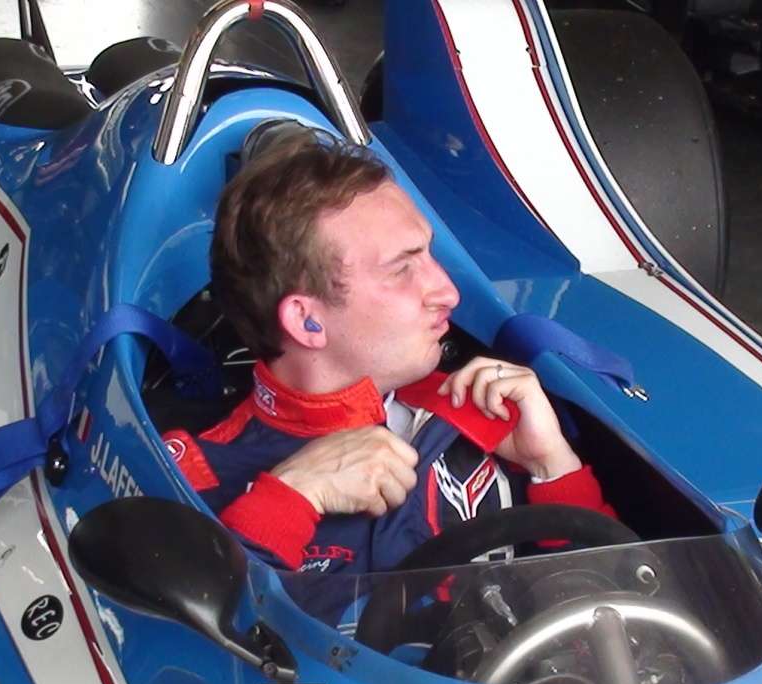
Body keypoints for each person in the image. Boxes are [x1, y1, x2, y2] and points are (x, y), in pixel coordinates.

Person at [161, 125, 613, 573]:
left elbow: (613, 592)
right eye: (401, 269)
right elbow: (190, 612)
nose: (448, 293)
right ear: (307, 320)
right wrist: (290, 497)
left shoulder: (479, 411)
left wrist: (552, 467)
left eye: (430, 255)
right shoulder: (193, 477)